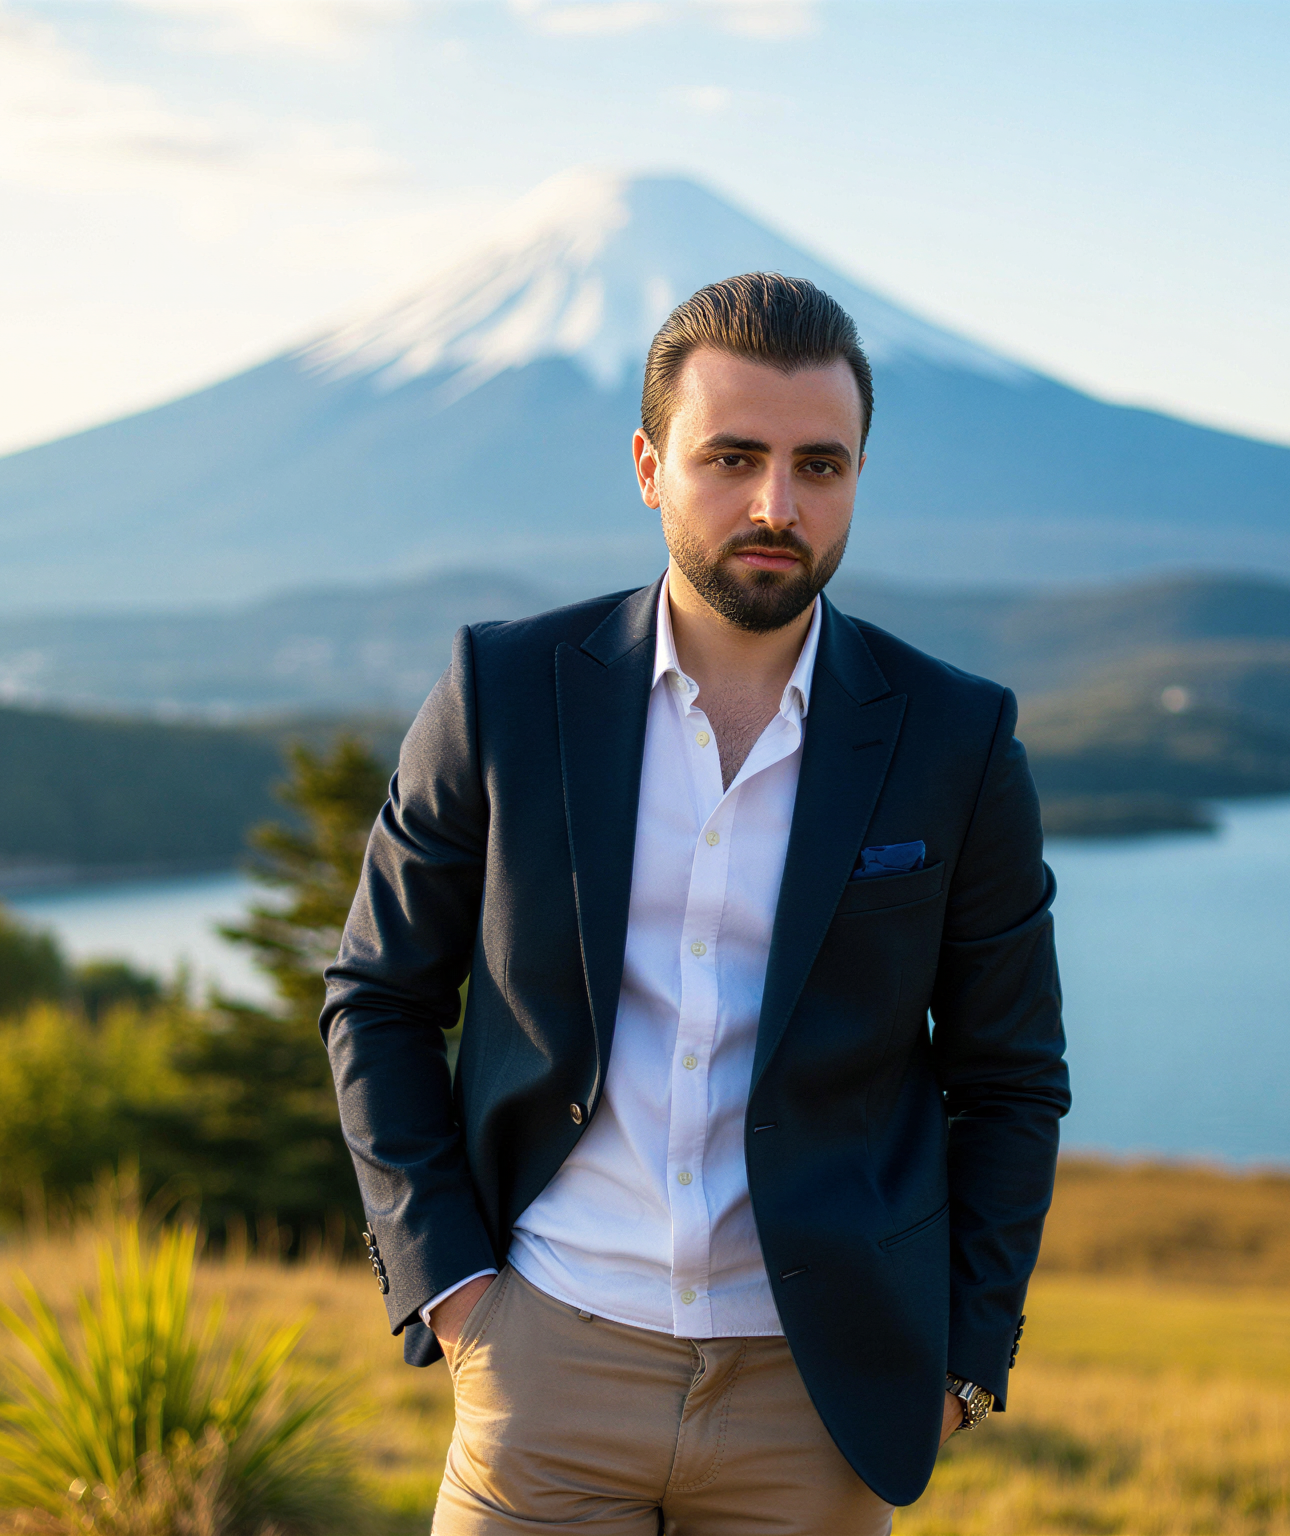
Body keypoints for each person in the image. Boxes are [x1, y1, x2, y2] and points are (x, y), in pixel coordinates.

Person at [323, 272, 1069, 1534]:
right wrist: (451, 1289)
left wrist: (960, 1365)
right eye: (732, 457)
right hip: (544, 1363)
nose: (777, 505)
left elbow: (1008, 1077)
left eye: (820, 466)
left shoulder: (956, 738)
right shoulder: (501, 692)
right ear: (647, 466)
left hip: (819, 1401)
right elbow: (378, 996)